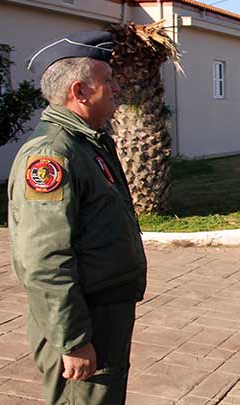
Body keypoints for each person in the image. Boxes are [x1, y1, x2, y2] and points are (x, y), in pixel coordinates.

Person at [8, 31, 147, 404]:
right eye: (107, 81)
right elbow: (43, 260)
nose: (116, 88)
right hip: (84, 319)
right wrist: (73, 340)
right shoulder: (53, 155)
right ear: (79, 91)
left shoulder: (87, 143)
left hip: (100, 314)